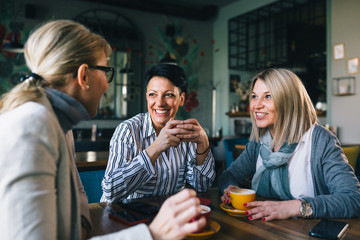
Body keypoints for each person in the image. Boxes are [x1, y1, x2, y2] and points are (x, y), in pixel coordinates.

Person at [0, 20, 206, 240]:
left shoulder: (60, 125)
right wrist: (152, 235)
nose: (108, 85)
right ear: (84, 76)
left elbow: (78, 199)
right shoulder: (32, 126)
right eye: (106, 71)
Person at [219, 68, 360, 221]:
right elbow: (229, 175)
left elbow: (353, 199)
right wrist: (231, 188)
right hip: (263, 228)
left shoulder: (320, 140)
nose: (256, 105)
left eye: (267, 96)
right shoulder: (258, 142)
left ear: (289, 101)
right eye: (254, 96)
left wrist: (294, 207)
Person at [101, 63, 215, 202]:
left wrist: (204, 144)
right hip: (125, 216)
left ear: (182, 99)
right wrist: (157, 147)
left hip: (167, 217)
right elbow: (111, 192)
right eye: (152, 94)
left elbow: (202, 185)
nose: (159, 103)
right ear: (147, 97)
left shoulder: (186, 133)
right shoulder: (128, 130)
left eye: (169, 95)